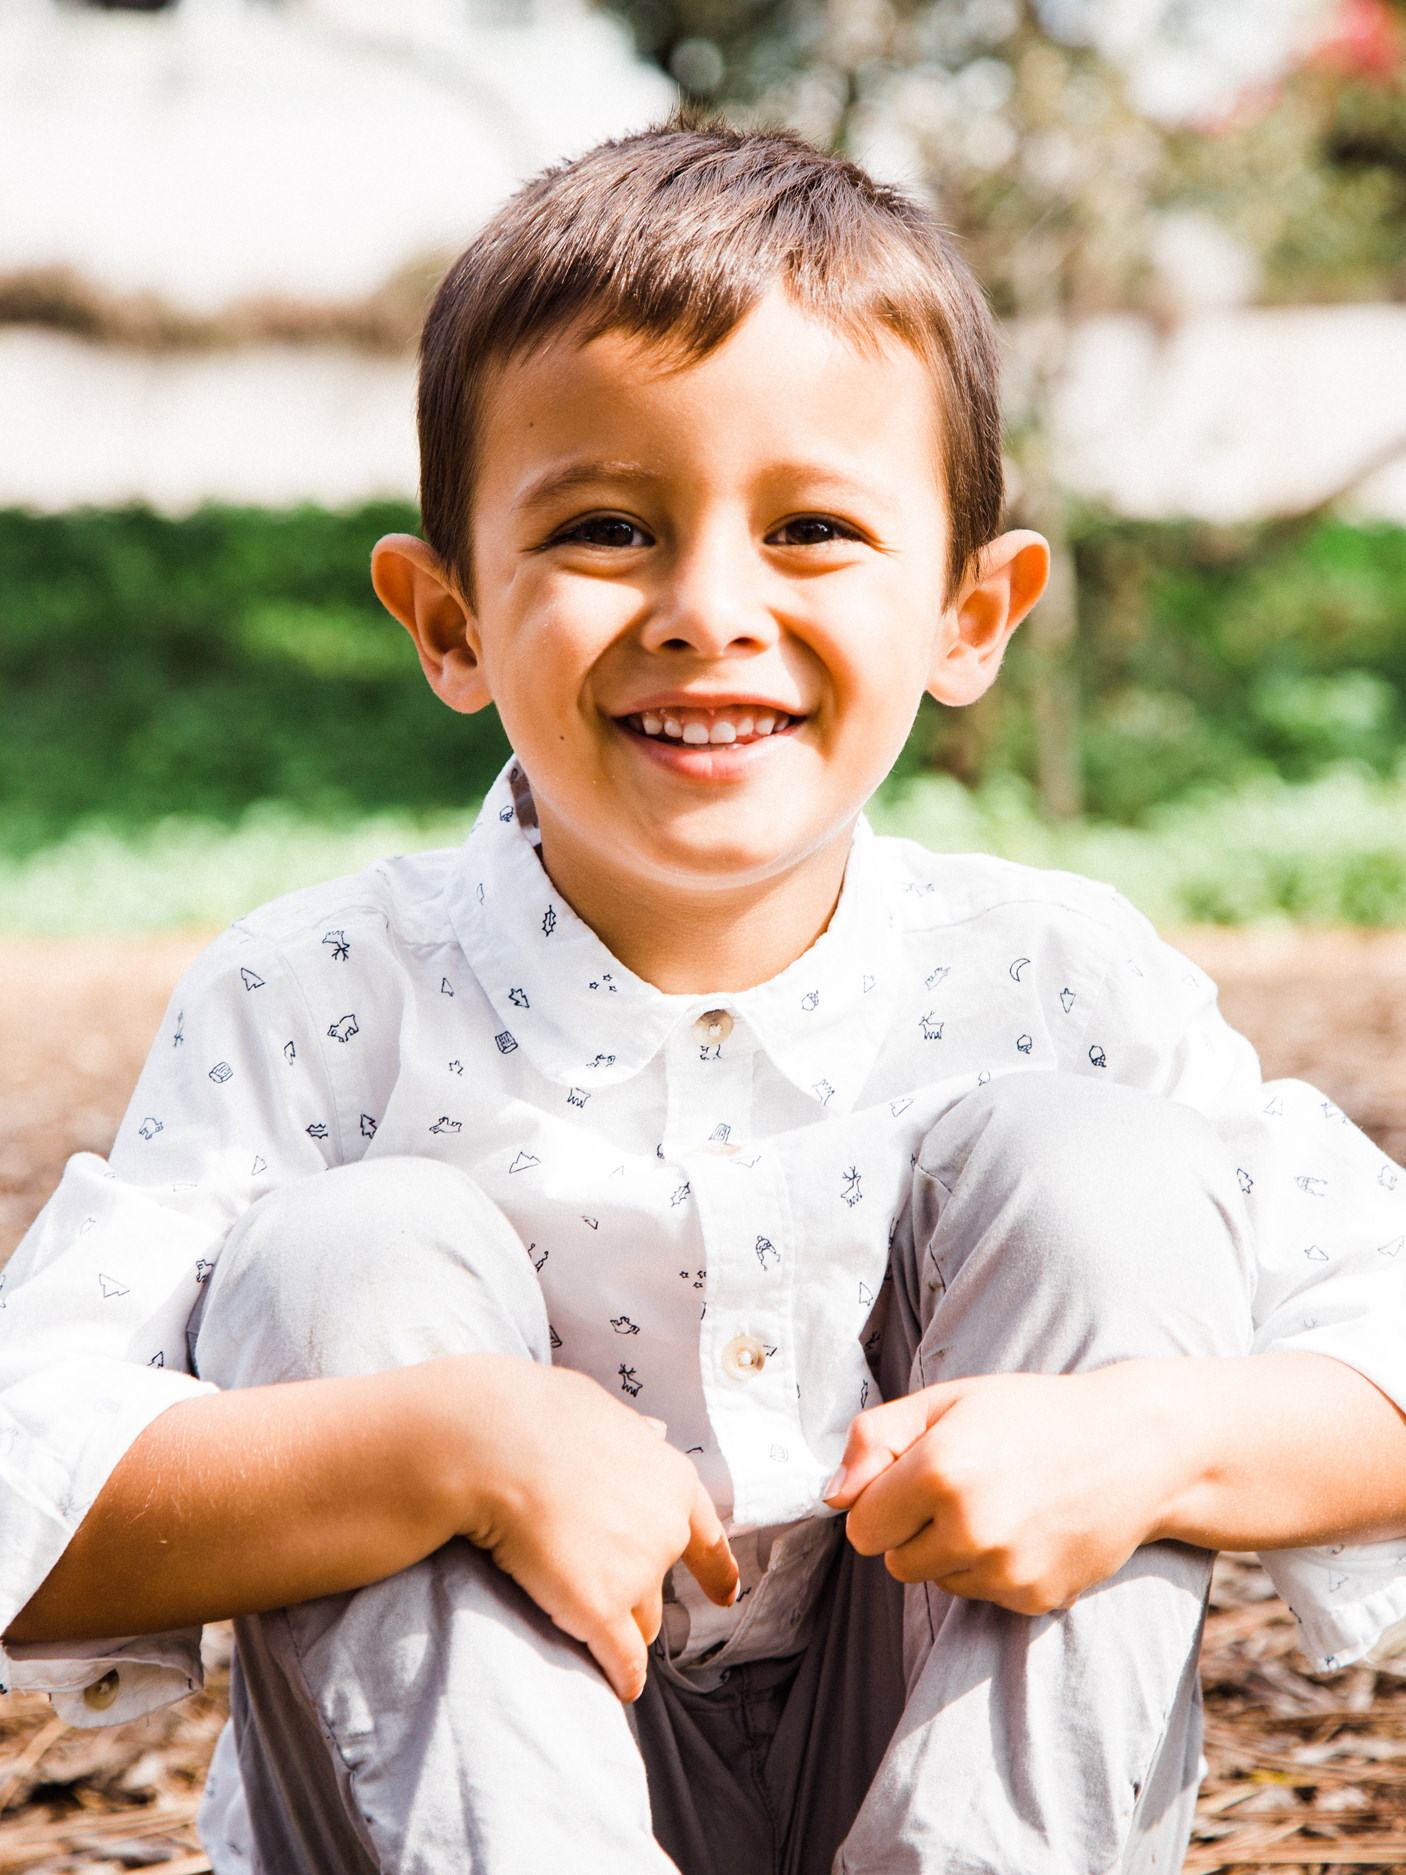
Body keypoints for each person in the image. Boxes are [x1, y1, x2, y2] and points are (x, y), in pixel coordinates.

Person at [5, 122, 1406, 1875]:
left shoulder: (1057, 981)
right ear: (446, 620)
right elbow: (24, 1488)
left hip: (952, 1785)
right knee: (345, 1251)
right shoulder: (318, 1002)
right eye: (607, 527)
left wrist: (1153, 1437)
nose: (707, 610)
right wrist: (432, 1444)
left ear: (972, 613)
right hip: (455, 1814)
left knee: (1102, 1174)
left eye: (812, 527)